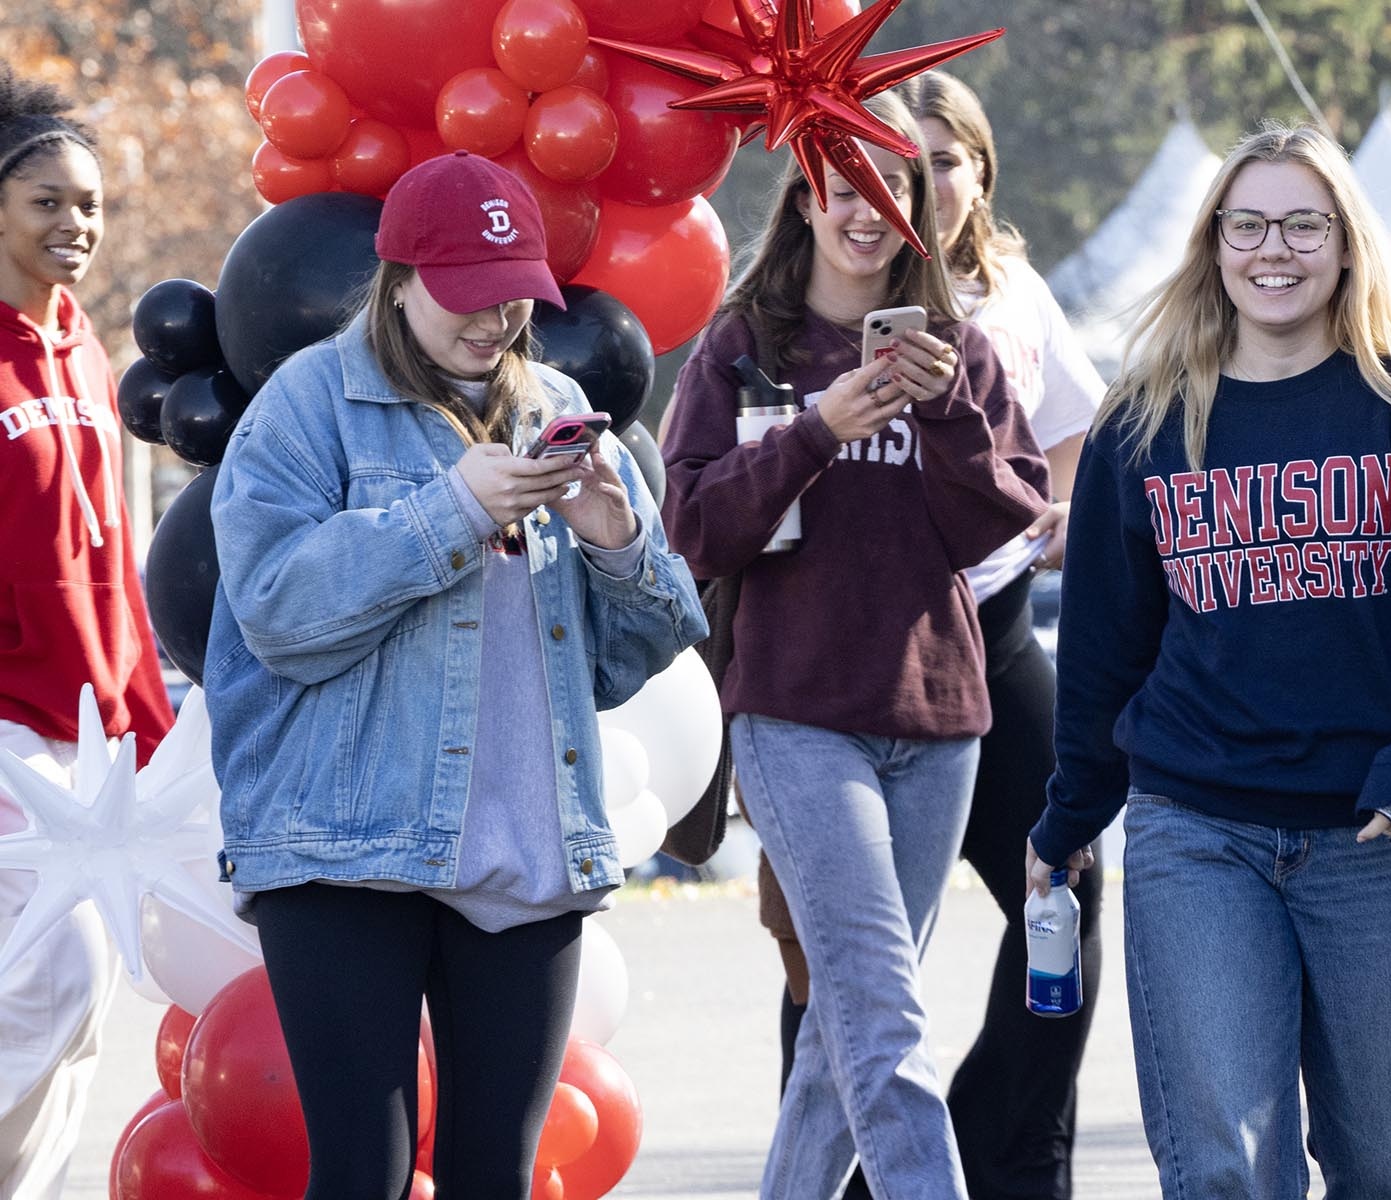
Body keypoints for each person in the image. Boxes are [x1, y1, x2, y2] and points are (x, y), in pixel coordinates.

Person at [205, 150, 706, 1200]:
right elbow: (277, 614)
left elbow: (627, 660)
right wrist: (453, 508)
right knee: (363, 1174)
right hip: (342, 848)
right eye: (467, 296)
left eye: (515, 295)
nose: (495, 322)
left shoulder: (557, 401)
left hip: (525, 849)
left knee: (495, 1177)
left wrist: (618, 545)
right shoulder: (308, 404)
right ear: (396, 278)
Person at [1027, 121, 1391, 1198]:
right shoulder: (1143, 423)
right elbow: (1104, 652)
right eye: (1245, 224)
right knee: (1223, 1166)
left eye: (1302, 223)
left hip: (1372, 836)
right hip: (1196, 831)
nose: (1272, 249)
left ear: (1345, 243)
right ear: (1211, 245)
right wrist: (1064, 824)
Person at [658, 90, 1049, 1200]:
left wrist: (939, 416)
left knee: (846, 1037)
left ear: (920, 208)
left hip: (937, 720)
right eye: (843, 187)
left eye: (891, 190)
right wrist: (816, 427)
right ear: (806, 197)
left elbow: (993, 523)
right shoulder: (744, 346)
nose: (864, 212)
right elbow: (695, 528)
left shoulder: (958, 357)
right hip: (796, 716)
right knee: (883, 1010)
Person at [759, 69, 1108, 1200]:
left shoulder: (1011, 294)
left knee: (1065, 883)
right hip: (840, 654)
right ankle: (860, 1153)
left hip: (992, 635)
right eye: (886, 163)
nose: (916, 183)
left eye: (944, 160)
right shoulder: (796, 304)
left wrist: (1050, 511)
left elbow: (1073, 440)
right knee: (850, 952)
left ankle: (1003, 1146)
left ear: (976, 174)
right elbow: (718, 491)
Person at [0, 67, 175, 1200]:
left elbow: (114, 557)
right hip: (7, 719)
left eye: (91, 205)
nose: (76, 226)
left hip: (96, 724)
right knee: (51, 972)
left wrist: (146, 715)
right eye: (46, 201)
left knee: (89, 997)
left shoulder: (86, 354)